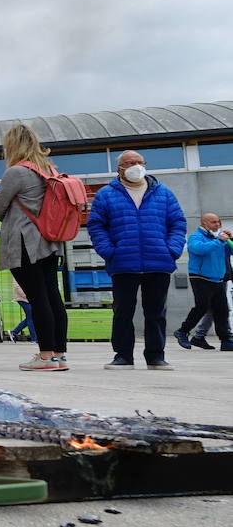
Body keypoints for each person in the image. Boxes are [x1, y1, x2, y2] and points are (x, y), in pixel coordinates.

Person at [0, 125, 69, 371]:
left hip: (24, 243)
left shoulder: (16, 172)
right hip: (49, 241)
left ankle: (45, 356)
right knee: (52, 297)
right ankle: (59, 355)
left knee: (37, 299)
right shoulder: (48, 170)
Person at [86, 149, 186, 370]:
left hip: (158, 262)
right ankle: (123, 356)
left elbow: (178, 223)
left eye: (140, 162)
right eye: (130, 162)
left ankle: (156, 356)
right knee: (122, 311)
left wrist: (172, 249)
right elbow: (96, 226)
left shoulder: (164, 193)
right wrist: (109, 251)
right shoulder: (106, 194)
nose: (136, 166)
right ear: (119, 168)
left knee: (156, 312)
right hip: (123, 263)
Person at [172, 214, 233, 352]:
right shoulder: (196, 237)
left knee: (222, 310)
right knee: (202, 306)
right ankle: (182, 331)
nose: (217, 224)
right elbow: (199, 249)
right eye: (213, 222)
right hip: (200, 277)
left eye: (219, 221)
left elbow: (229, 251)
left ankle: (226, 340)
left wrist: (230, 240)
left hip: (217, 278)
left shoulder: (219, 239)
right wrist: (219, 241)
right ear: (204, 223)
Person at [186, 233, 233, 349]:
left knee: (214, 310)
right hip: (212, 278)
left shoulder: (224, 244)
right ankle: (224, 337)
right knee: (218, 309)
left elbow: (227, 262)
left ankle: (199, 336)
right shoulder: (213, 243)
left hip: (222, 277)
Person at [10, 276, 35, 342]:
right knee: (31, 317)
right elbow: (18, 288)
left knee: (30, 317)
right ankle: (34, 338)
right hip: (22, 299)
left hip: (28, 299)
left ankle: (14, 332)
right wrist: (29, 295)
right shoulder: (17, 272)